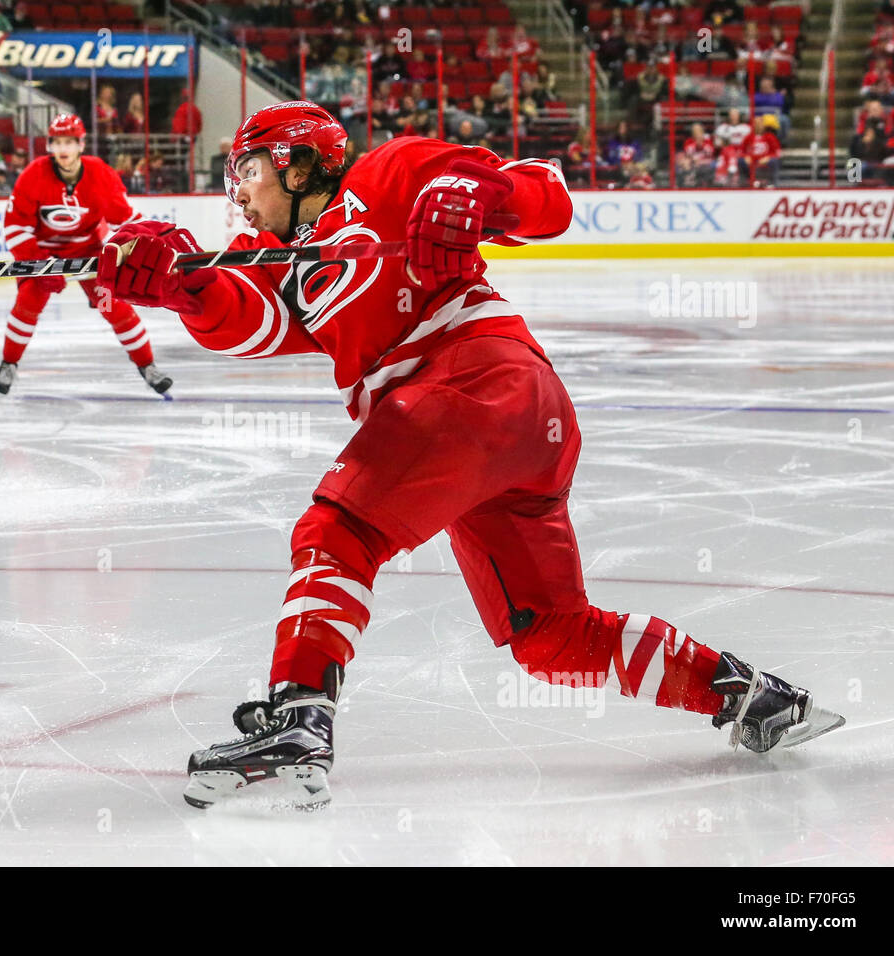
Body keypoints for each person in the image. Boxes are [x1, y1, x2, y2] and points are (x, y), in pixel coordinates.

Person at [93, 101, 846, 809]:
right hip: (507, 426)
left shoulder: (389, 171)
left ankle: (299, 719)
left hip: (476, 382)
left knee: (338, 531)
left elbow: (547, 196)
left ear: (298, 165)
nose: (240, 193)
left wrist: (477, 193)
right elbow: (245, 323)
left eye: (249, 170)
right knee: (550, 634)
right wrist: (181, 285)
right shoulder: (290, 257)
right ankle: (752, 695)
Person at [0, 113, 173, 399]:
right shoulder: (32, 176)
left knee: (116, 307)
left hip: (88, 252)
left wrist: (147, 242)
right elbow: (15, 227)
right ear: (50, 145)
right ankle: (8, 364)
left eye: (69, 142)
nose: (63, 149)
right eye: (57, 142)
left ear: (81, 144)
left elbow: (126, 220)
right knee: (27, 304)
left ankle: (147, 366)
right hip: (42, 251)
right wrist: (40, 265)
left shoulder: (100, 174)